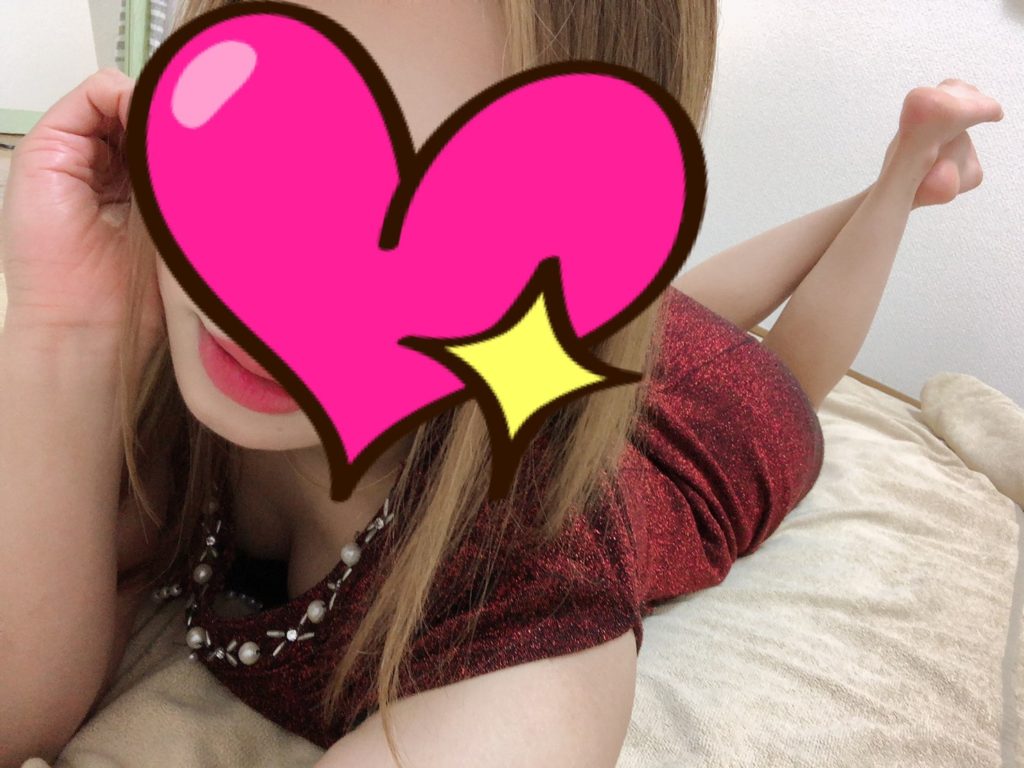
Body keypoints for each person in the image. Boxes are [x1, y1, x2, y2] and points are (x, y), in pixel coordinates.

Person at [0, 0, 1002, 765]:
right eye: (260, 142)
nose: (274, 287)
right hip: (538, 359)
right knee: (676, 315)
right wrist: (62, 330)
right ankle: (889, 176)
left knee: (782, 374)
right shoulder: (161, 387)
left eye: (459, 229)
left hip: (705, 437)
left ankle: (899, 182)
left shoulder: (529, 612)